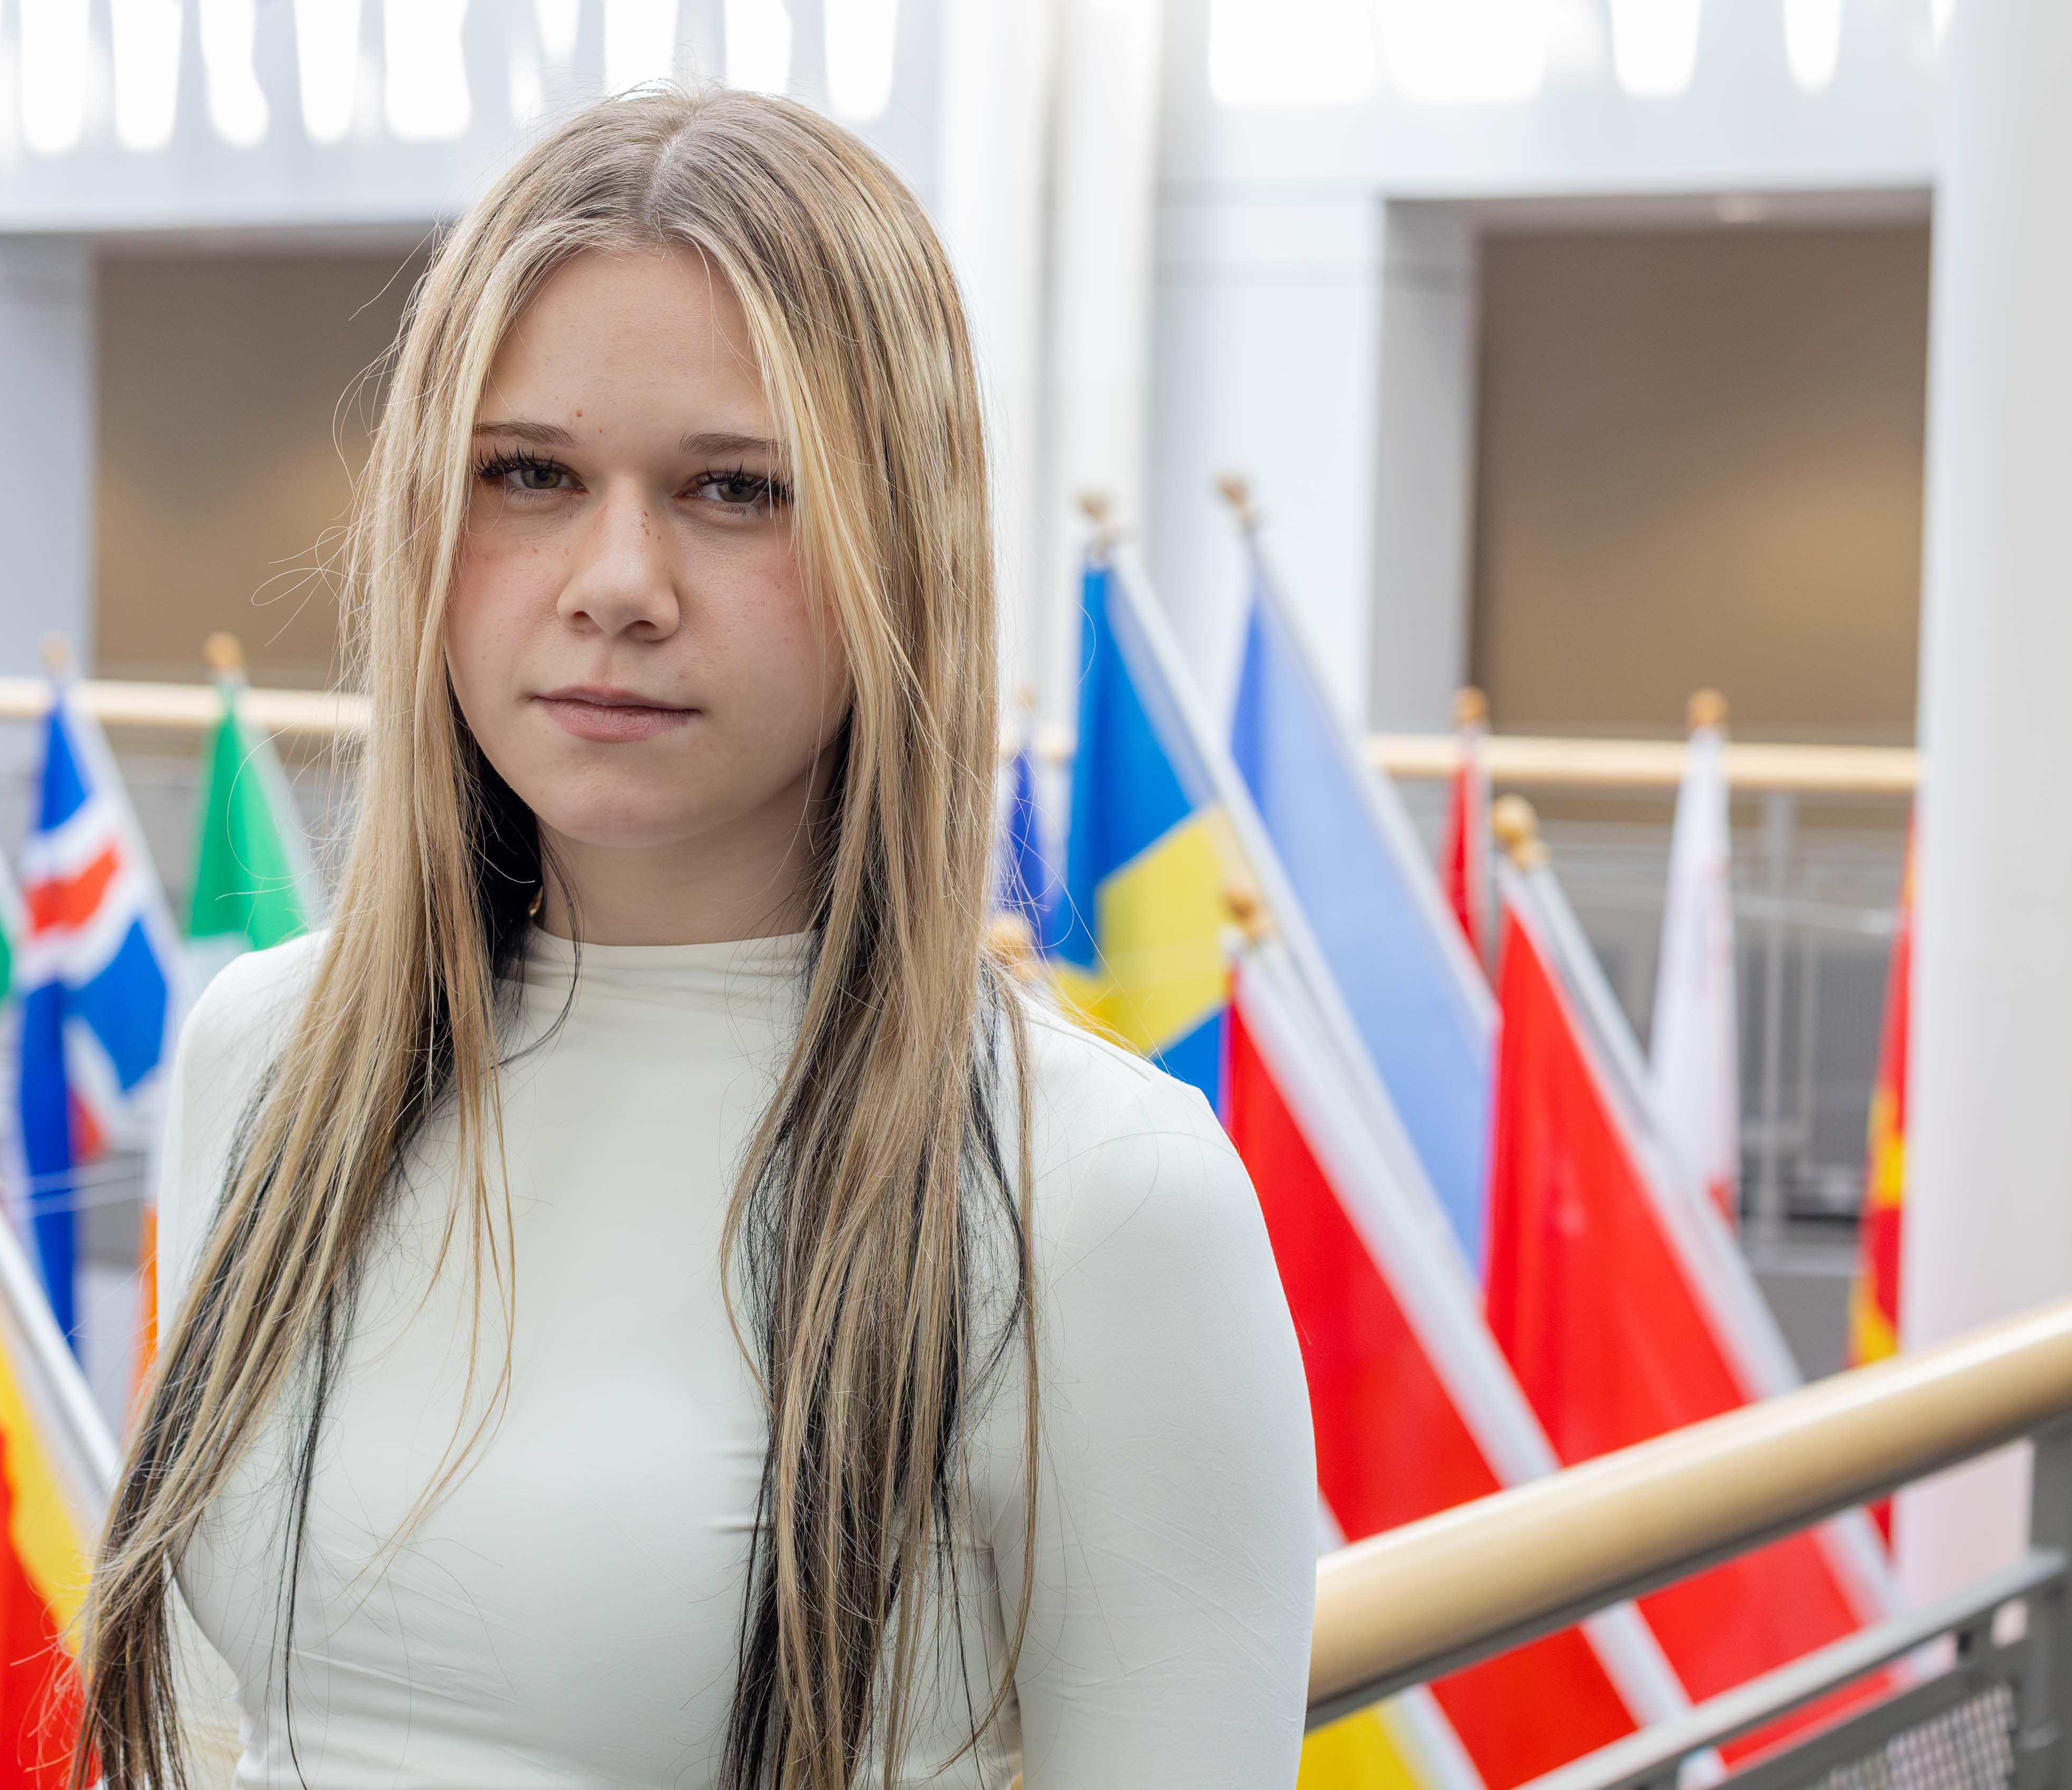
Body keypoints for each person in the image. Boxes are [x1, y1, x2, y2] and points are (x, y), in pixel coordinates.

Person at [81, 87, 1315, 1788]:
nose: (616, 580)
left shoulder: (1093, 1190)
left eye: (733, 490)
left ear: (905, 545)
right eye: (528, 474)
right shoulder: (264, 1053)